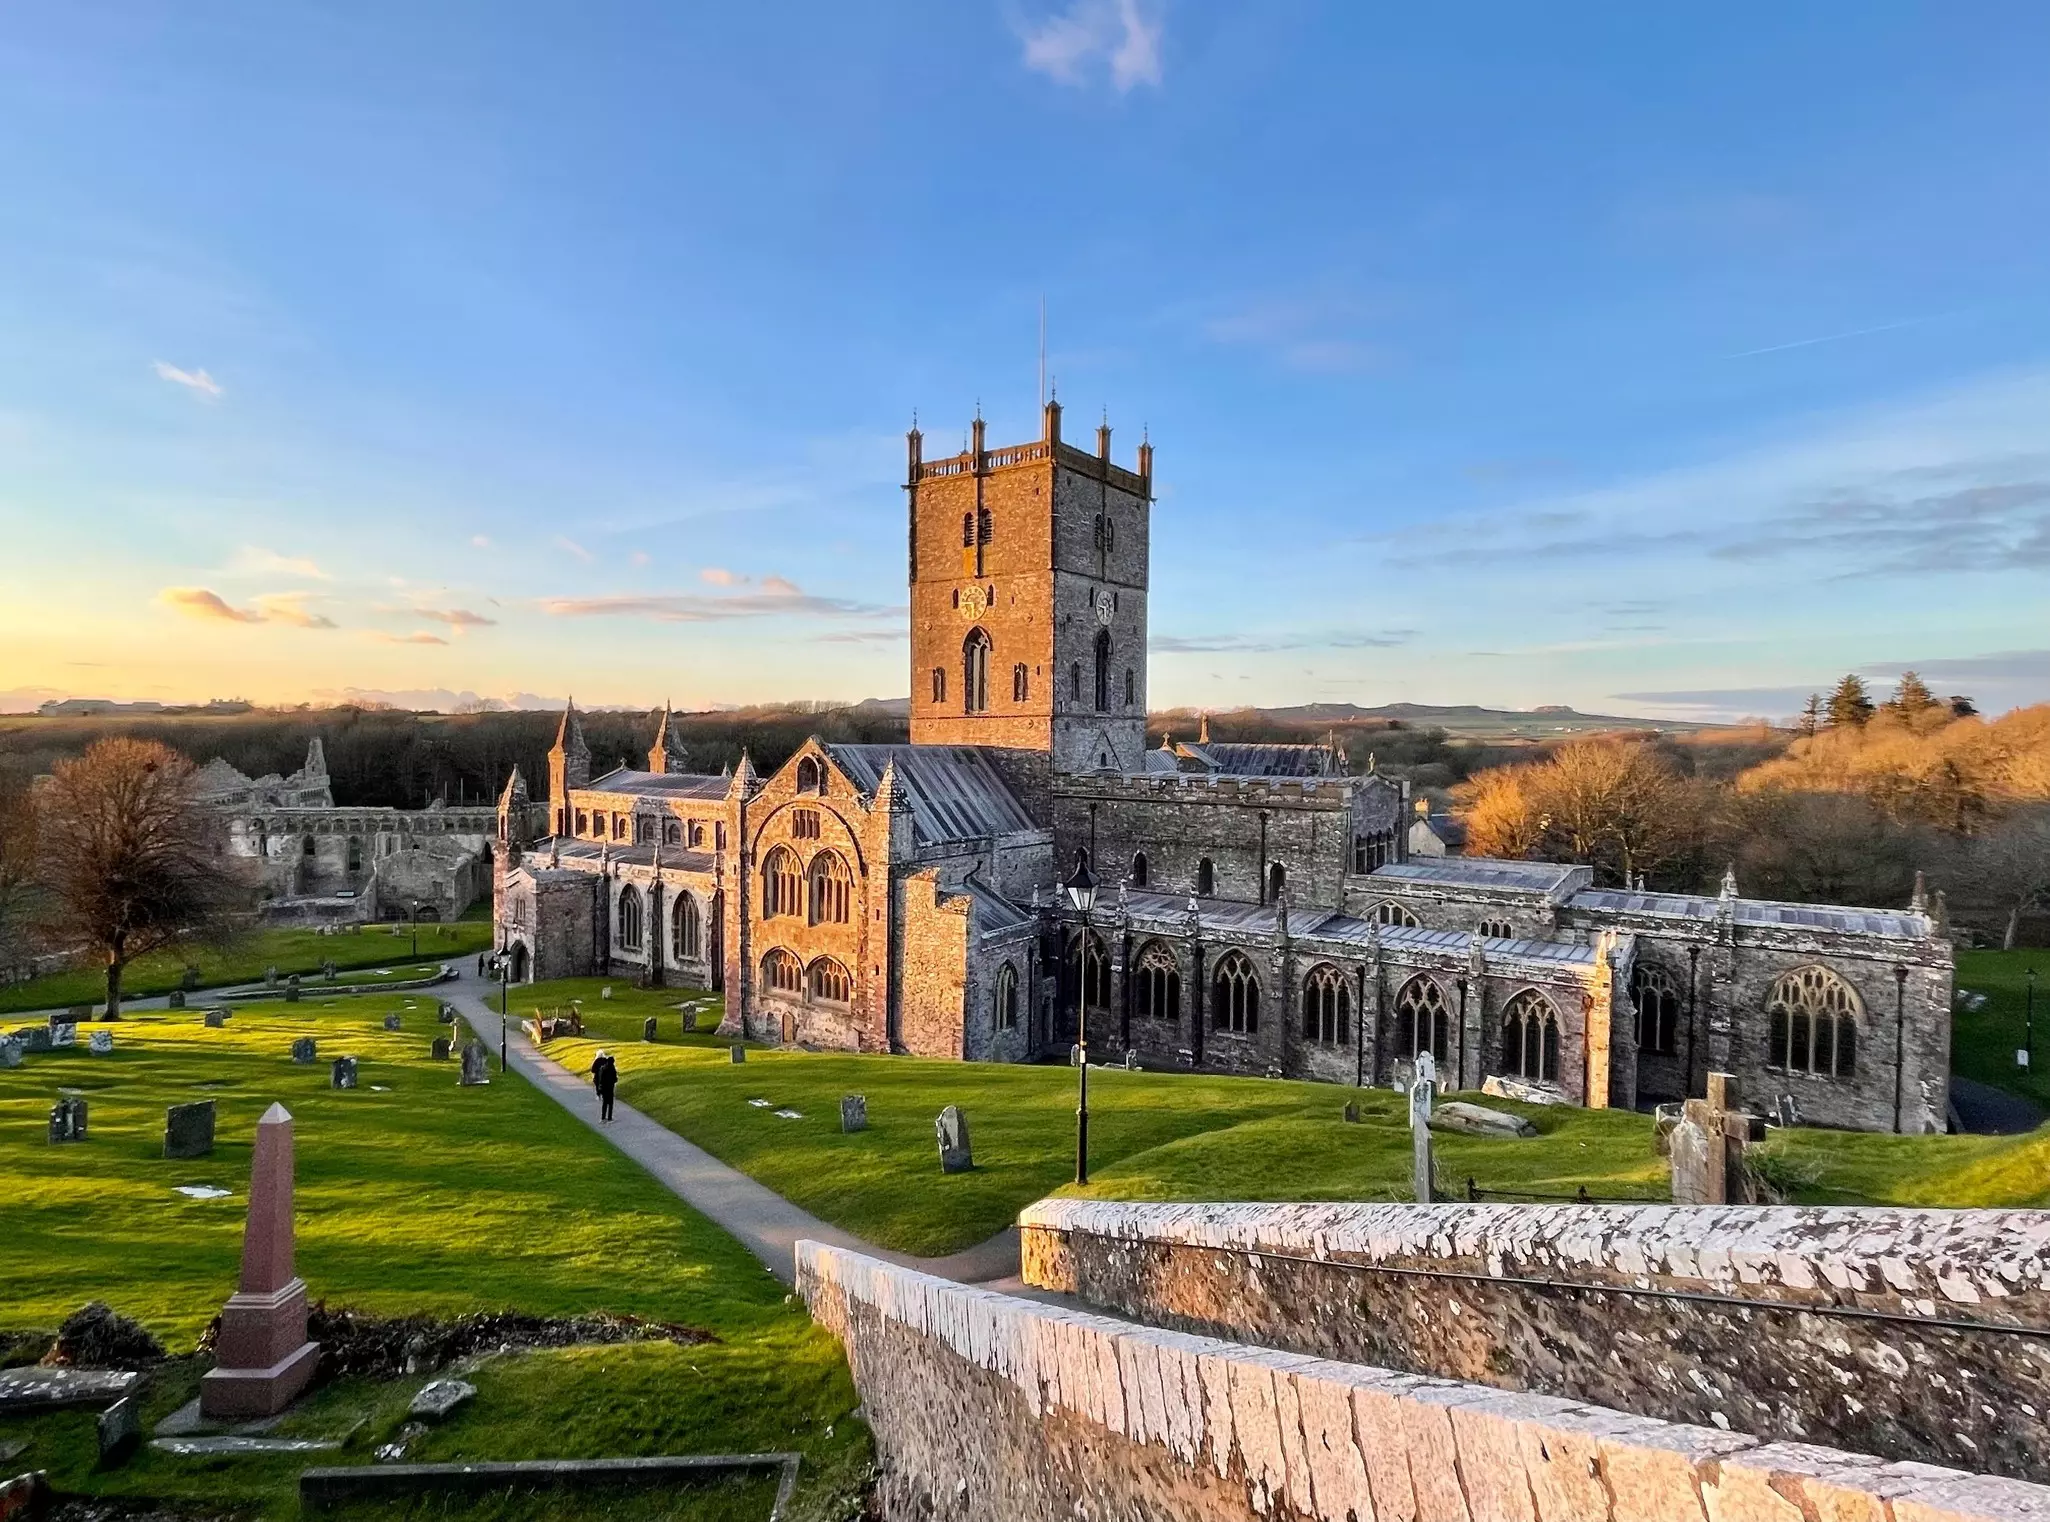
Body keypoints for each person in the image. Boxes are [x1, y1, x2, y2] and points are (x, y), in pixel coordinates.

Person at [590, 1048, 619, 1123]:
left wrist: (600, 1086)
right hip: (610, 1088)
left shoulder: (602, 1069)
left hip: (604, 1088)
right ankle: (609, 1117)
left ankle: (603, 1118)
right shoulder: (612, 1069)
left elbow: (598, 1076)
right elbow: (615, 1079)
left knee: (605, 1104)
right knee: (610, 1104)